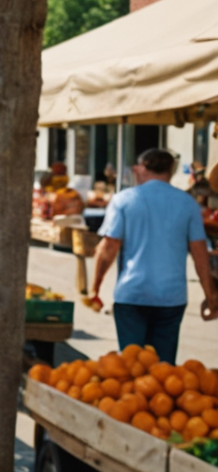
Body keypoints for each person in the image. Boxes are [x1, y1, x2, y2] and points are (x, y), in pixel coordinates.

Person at [89, 148, 218, 363]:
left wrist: (95, 287)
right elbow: (200, 255)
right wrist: (210, 294)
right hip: (171, 297)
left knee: (132, 367)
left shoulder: (124, 200)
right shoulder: (187, 204)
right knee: (164, 372)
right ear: (170, 171)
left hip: (132, 294)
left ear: (141, 169)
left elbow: (108, 247)